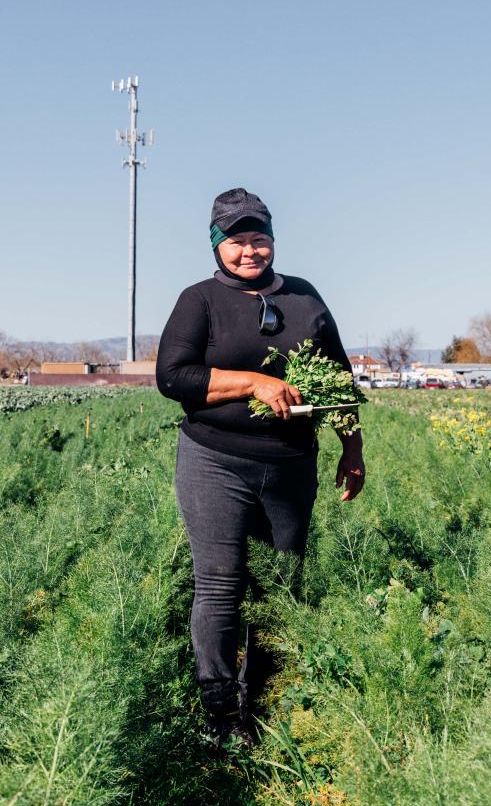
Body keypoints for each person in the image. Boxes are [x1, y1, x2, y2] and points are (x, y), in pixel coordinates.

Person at [156, 187, 366, 749]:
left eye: (259, 238)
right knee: (221, 585)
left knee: (279, 586)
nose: (250, 250)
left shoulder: (304, 298)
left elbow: (338, 378)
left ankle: (261, 702)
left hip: (292, 464)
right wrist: (252, 381)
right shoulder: (198, 300)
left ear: (272, 240)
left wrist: (352, 446)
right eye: (236, 241)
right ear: (216, 245)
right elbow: (173, 378)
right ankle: (220, 712)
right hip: (215, 461)